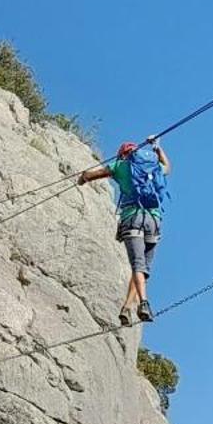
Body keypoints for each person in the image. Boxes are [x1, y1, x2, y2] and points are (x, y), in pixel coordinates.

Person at [78, 135, 171, 326]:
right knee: (143, 269)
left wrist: (82, 178)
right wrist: (158, 148)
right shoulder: (153, 168)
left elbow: (92, 174)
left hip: (133, 218)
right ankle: (128, 307)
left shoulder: (120, 165)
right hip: (154, 221)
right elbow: (167, 167)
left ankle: (143, 302)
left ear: (122, 155)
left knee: (137, 265)